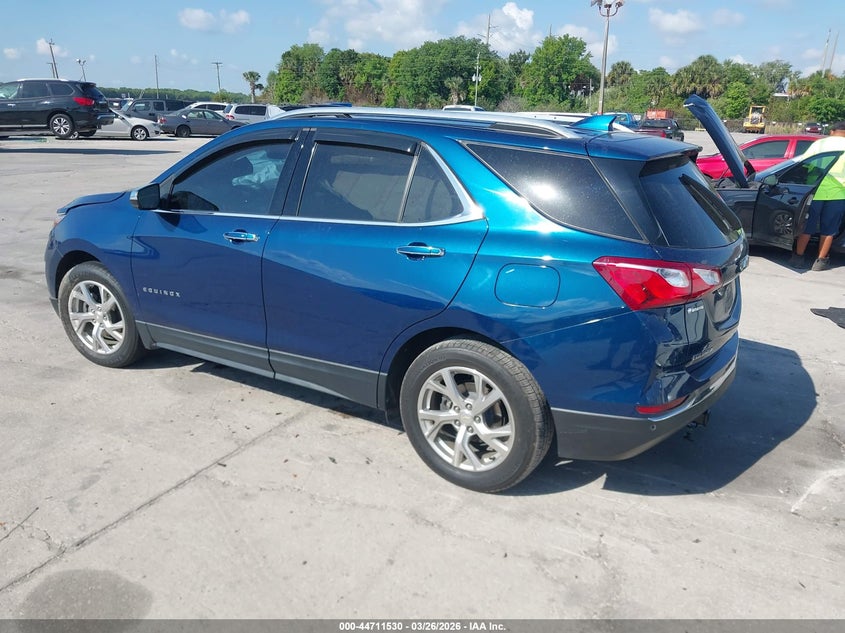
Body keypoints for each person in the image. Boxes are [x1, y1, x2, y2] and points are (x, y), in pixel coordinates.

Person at [790, 120, 845, 271]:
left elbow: (804, 164)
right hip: (838, 194)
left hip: (814, 192)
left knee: (807, 226)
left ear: (832, 131)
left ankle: (798, 258)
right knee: (829, 230)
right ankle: (820, 261)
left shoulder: (819, 144)